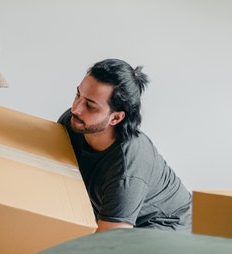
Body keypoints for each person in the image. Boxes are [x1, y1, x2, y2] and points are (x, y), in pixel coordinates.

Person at [58, 58, 191, 232]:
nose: (76, 109)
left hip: (167, 227)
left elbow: (111, 242)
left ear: (116, 118)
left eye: (90, 106)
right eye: (78, 95)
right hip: (122, 219)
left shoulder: (127, 167)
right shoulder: (74, 122)